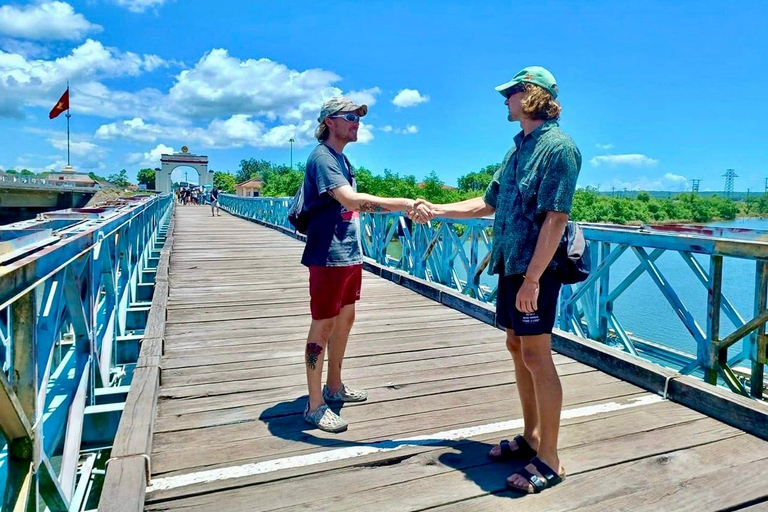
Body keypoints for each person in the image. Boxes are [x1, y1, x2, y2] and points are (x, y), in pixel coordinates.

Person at [412, 66, 581, 494]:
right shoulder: (516, 151)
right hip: (509, 265)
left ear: (533, 96)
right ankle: (532, 437)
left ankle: (551, 459)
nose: (504, 99)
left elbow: (556, 218)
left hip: (533, 271)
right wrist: (436, 208)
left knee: (537, 356)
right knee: (517, 347)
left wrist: (533, 280)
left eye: (511, 92)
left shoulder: (558, 149)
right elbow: (484, 204)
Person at [300, 96, 429, 433]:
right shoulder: (323, 158)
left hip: (347, 253)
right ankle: (315, 405)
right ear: (330, 121)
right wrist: (402, 204)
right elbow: (350, 200)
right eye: (350, 117)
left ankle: (335, 386)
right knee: (323, 326)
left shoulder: (342, 161)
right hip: (328, 256)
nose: (357, 122)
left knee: (345, 320)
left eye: (359, 117)